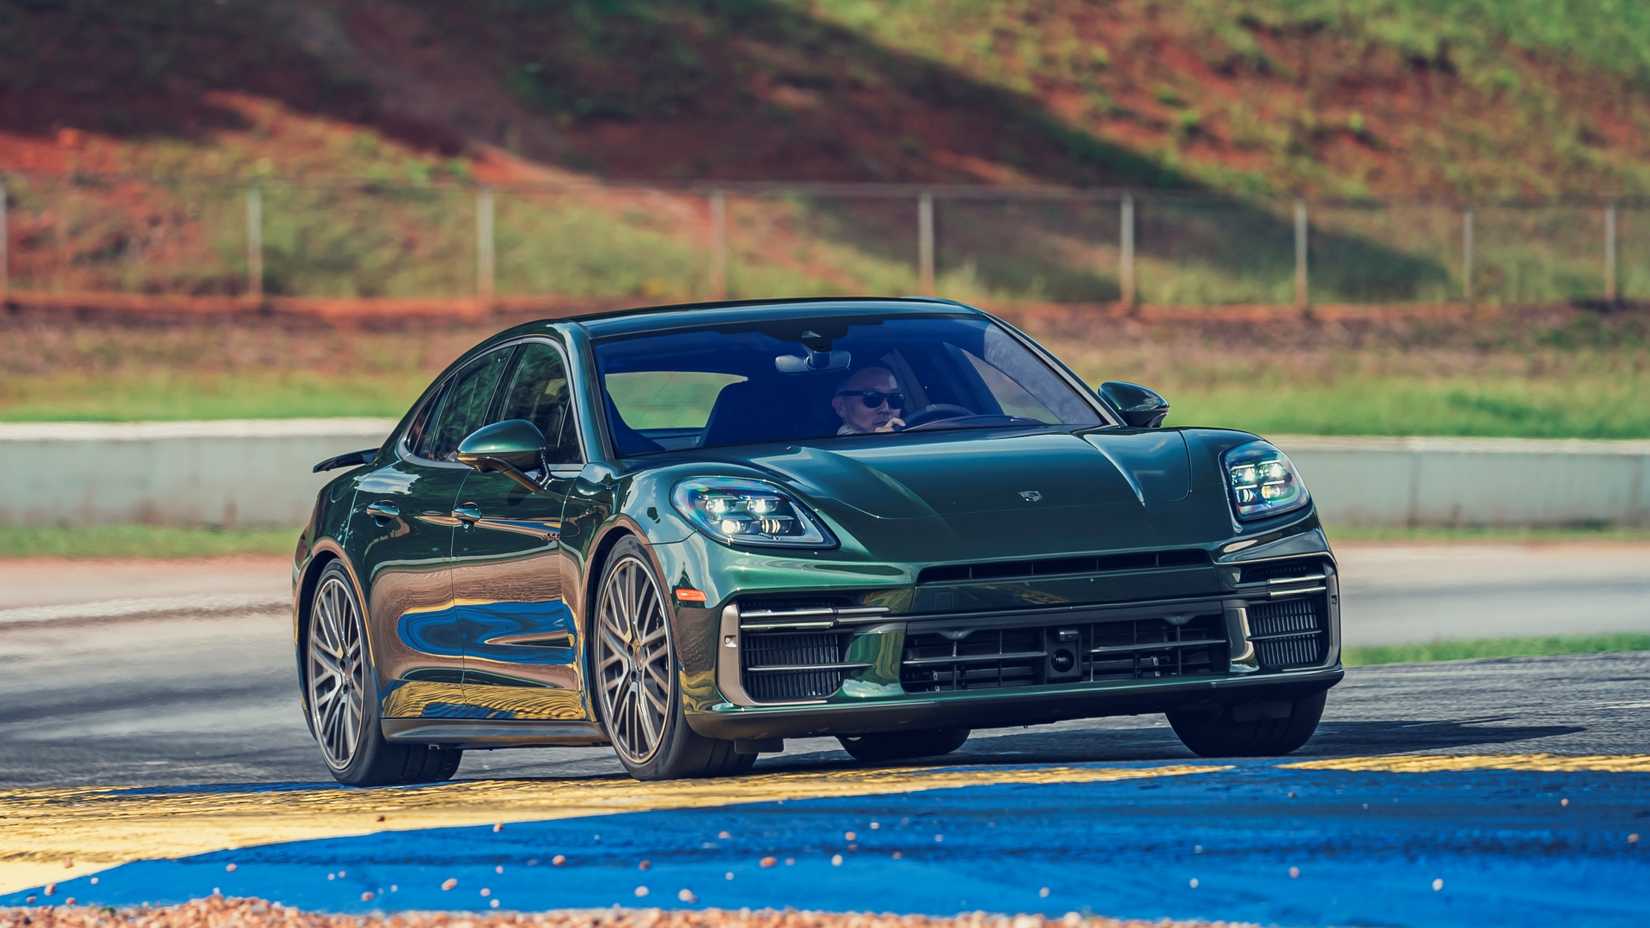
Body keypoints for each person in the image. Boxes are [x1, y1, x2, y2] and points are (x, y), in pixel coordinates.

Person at [831, 366, 905, 434]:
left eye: (895, 398)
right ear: (840, 406)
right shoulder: (839, 446)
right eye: (872, 398)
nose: (886, 409)